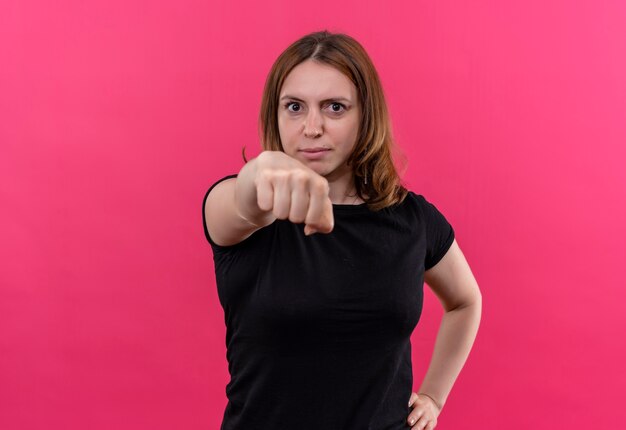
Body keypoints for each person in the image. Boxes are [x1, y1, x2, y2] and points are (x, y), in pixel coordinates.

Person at [202, 30, 482, 430]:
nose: (312, 127)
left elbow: (465, 301)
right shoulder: (244, 210)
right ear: (275, 114)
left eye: (335, 107)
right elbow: (242, 201)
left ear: (365, 114)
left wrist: (434, 397)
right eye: (294, 107)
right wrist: (260, 173)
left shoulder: (412, 219)